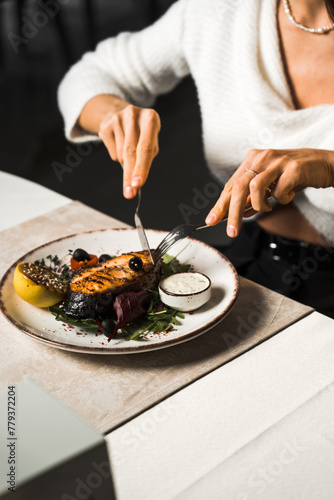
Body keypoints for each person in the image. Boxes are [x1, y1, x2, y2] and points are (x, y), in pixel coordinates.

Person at [58, 0, 334, 318]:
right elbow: (93, 73)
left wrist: (328, 166)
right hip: (253, 264)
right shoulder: (221, 9)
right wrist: (112, 115)